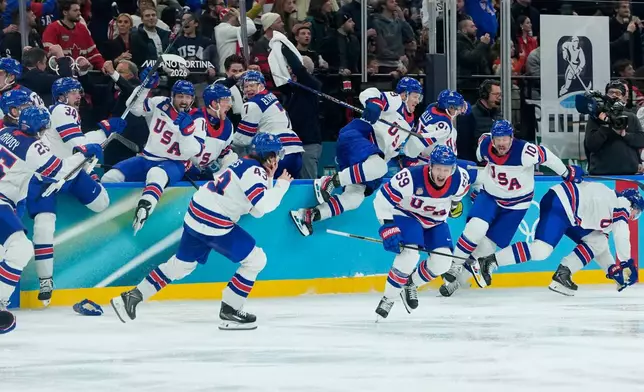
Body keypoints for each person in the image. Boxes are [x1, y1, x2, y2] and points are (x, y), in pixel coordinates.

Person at [110, 133, 293, 330]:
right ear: (268, 155)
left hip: (198, 212)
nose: (277, 159)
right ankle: (230, 309)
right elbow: (264, 207)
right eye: (275, 154)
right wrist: (282, 185)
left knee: (181, 266)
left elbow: (256, 211)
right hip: (214, 221)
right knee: (256, 260)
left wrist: (272, 179)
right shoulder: (255, 172)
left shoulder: (245, 165)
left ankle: (132, 297)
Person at [440, 119, 583, 296]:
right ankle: (455, 266)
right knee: (476, 228)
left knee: (486, 248)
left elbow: (547, 156)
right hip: (490, 197)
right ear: (492, 139)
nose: (501, 143)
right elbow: (480, 155)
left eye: (505, 138)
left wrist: (566, 172)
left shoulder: (525, 151)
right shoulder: (485, 146)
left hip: (516, 206)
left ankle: (459, 281)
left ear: (512, 137)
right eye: (498, 138)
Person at [25, 78, 124, 305]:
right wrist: (104, 130)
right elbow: (78, 145)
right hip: (47, 176)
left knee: (101, 203)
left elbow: (77, 147)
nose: (78, 95)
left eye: (78, 91)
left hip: (70, 170)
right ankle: (45, 280)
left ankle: (91, 177)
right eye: (72, 92)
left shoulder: (65, 110)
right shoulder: (62, 109)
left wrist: (102, 131)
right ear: (60, 96)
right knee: (43, 227)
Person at [289, 78, 426, 237]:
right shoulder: (396, 101)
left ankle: (309, 215)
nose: (417, 101)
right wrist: (374, 104)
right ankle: (329, 181)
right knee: (380, 167)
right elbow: (369, 93)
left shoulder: (410, 125)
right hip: (360, 137)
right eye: (415, 96)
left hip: (367, 159)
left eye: (419, 97)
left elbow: (404, 151)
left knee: (355, 198)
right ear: (404, 94)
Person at [0, 106, 90, 333]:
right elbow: (59, 170)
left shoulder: (4, 133)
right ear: (42, 129)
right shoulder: (33, 147)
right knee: (20, 249)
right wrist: (85, 153)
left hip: (6, 202)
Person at [477, 185, 641, 295]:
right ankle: (489, 261)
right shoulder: (622, 203)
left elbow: (600, 247)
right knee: (541, 250)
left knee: (598, 241)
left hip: (570, 211)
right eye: (638, 211)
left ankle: (564, 274)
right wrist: (627, 262)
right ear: (633, 205)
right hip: (562, 204)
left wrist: (612, 270)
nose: (635, 216)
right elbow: (622, 233)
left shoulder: (609, 208)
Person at [372, 146, 470, 319]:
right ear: (430, 166)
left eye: (446, 170)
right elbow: (381, 200)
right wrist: (387, 227)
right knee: (409, 255)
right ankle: (389, 298)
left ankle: (410, 283)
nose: (442, 174)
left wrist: (454, 207)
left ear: (452, 169)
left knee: (443, 263)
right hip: (408, 215)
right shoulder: (410, 177)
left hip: (436, 221)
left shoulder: (460, 179)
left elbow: (456, 199)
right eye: (438, 168)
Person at [101, 70, 204, 235]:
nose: (184, 101)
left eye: (188, 97)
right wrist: (144, 87)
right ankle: (106, 216)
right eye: (180, 96)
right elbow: (133, 108)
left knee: (157, 174)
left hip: (175, 163)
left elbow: (192, 152)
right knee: (110, 177)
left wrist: (186, 133)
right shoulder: (159, 103)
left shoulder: (198, 119)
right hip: (147, 157)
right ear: (172, 96)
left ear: (192, 99)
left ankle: (144, 208)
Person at [232, 70, 303, 177]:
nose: (248, 89)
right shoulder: (271, 96)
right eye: (246, 86)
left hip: (276, 152)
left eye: (252, 85)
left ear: (261, 86)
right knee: (291, 189)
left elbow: (242, 139)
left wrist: (226, 143)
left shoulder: (252, 104)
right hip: (296, 149)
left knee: (268, 188)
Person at [400, 89, 469, 167]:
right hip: (435, 163)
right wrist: (409, 160)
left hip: (438, 156)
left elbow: (465, 108)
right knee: (473, 168)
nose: (459, 111)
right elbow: (416, 142)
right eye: (458, 108)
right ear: (450, 108)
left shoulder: (433, 107)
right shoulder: (442, 125)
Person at [190, 83, 238, 179]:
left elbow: (223, 154)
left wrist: (217, 176)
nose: (230, 105)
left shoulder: (228, 126)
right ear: (214, 103)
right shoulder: (193, 118)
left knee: (233, 157)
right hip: (185, 170)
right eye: (226, 101)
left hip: (206, 175)